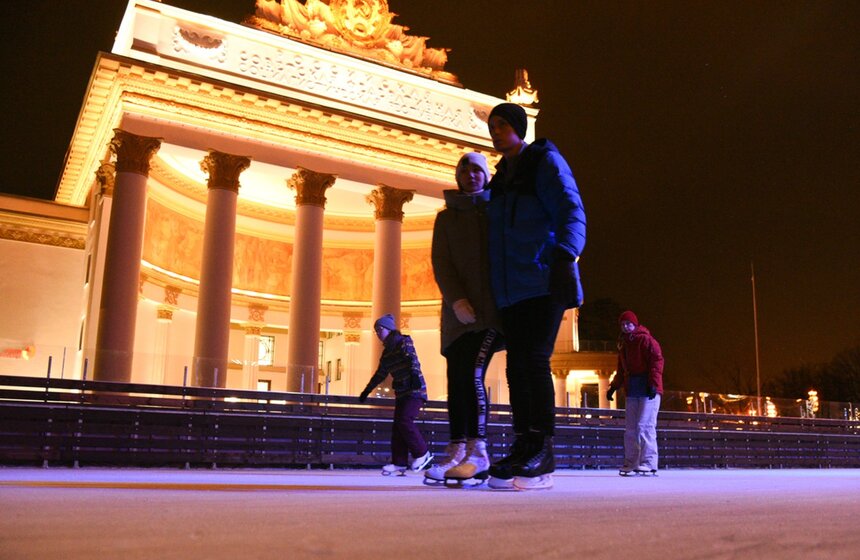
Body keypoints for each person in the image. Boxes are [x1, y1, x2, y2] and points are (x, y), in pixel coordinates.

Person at [484, 103, 586, 490]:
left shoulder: (543, 163)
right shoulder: (500, 179)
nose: (497, 131)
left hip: (543, 280)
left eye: (504, 124)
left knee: (535, 362)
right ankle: (524, 443)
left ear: (519, 128)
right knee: (515, 368)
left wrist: (564, 254)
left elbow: (571, 211)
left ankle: (543, 450)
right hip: (511, 289)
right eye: (493, 125)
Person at [426, 152, 504, 486]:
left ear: (486, 176)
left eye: (477, 170)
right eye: (465, 169)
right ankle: (457, 447)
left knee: (473, 375)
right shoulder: (445, 219)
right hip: (457, 316)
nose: (471, 175)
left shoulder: (496, 212)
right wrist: (456, 299)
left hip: (490, 314)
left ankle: (479, 450)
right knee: (456, 380)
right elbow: (441, 262)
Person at [359, 314, 433, 475]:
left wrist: (414, 377)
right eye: (376, 331)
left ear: (389, 329)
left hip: (415, 390)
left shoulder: (403, 341)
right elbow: (380, 374)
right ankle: (399, 463)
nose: (378, 333)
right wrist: (367, 390)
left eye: (380, 329)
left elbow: (412, 358)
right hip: (401, 393)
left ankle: (422, 453)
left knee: (405, 420)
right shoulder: (387, 354)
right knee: (398, 427)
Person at [607, 310, 665, 476]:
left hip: (648, 391)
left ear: (635, 324)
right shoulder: (624, 344)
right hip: (632, 390)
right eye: (623, 324)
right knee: (631, 429)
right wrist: (614, 386)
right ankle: (631, 462)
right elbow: (622, 370)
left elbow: (657, 362)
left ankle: (649, 462)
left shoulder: (646, 341)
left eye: (628, 323)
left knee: (645, 426)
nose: (626, 327)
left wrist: (654, 384)